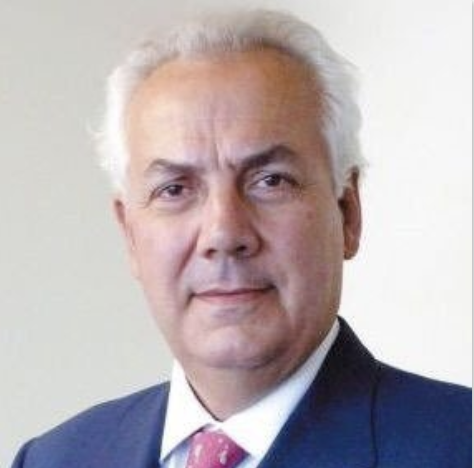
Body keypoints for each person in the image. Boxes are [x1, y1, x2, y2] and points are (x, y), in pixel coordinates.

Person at [12, 9, 470, 468]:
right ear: (130, 234)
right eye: (175, 190)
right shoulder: (53, 459)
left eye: (271, 181)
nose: (224, 233)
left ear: (348, 213)